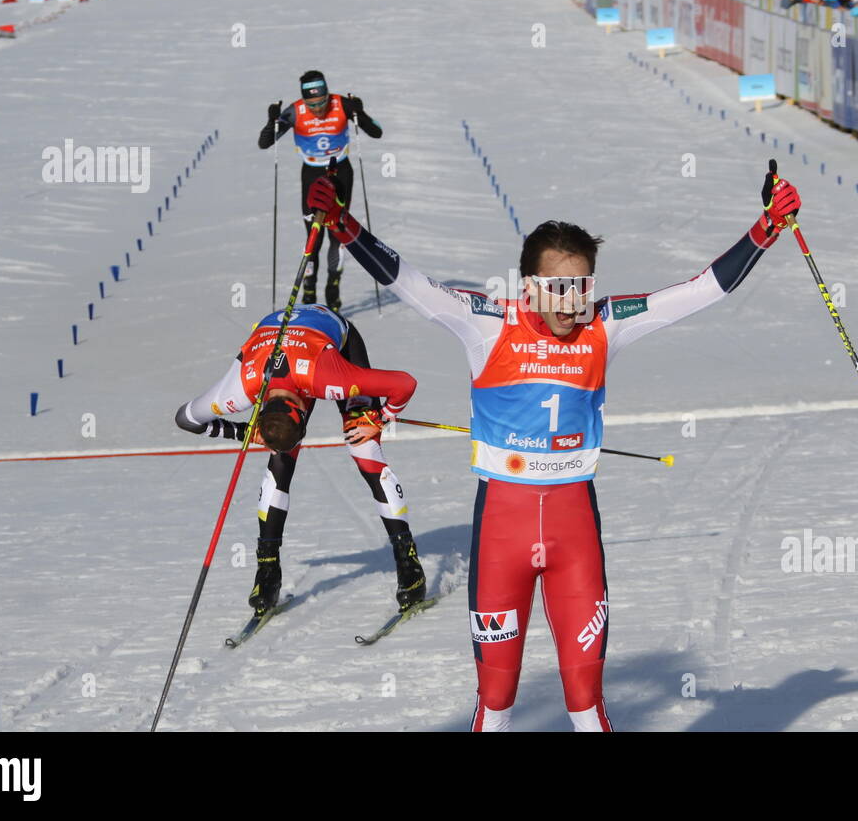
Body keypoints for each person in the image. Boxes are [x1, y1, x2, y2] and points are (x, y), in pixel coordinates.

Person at [304, 166, 803, 732]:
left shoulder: (606, 325)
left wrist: (766, 228)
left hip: (574, 533)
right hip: (501, 533)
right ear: (528, 286)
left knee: (586, 700)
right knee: (495, 701)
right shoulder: (486, 323)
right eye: (558, 287)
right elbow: (409, 283)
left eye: (582, 286)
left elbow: (698, 292)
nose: (571, 302)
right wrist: (343, 225)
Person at [174, 303, 426, 616]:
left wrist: (378, 419)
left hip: (331, 345)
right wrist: (243, 432)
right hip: (282, 354)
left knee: (364, 448)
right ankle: (268, 570)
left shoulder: (331, 379)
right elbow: (185, 419)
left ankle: (407, 560)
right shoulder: (239, 389)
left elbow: (404, 383)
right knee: (279, 461)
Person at [258, 71, 383, 310]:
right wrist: (272, 120)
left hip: (341, 174)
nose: (317, 109)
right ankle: (309, 289)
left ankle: (333, 288)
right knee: (314, 237)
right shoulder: (295, 112)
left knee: (338, 235)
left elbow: (377, 132)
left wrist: (360, 112)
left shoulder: (341, 104)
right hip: (312, 175)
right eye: (311, 104)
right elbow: (265, 143)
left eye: (322, 101)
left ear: (328, 94)